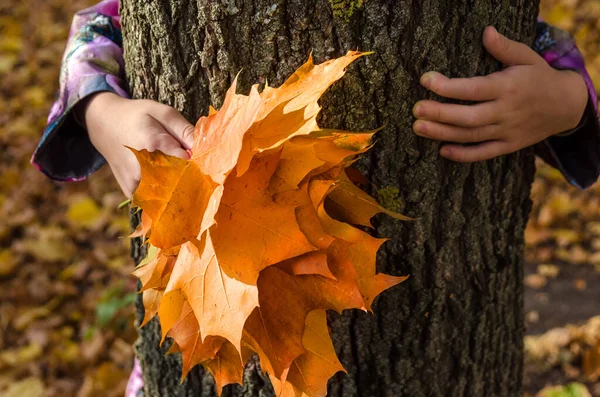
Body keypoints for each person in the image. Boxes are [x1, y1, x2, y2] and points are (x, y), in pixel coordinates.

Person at [30, 1, 600, 396]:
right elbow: (105, 22)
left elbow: (540, 47)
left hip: (449, 345)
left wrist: (571, 101)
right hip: (204, 332)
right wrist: (100, 109)